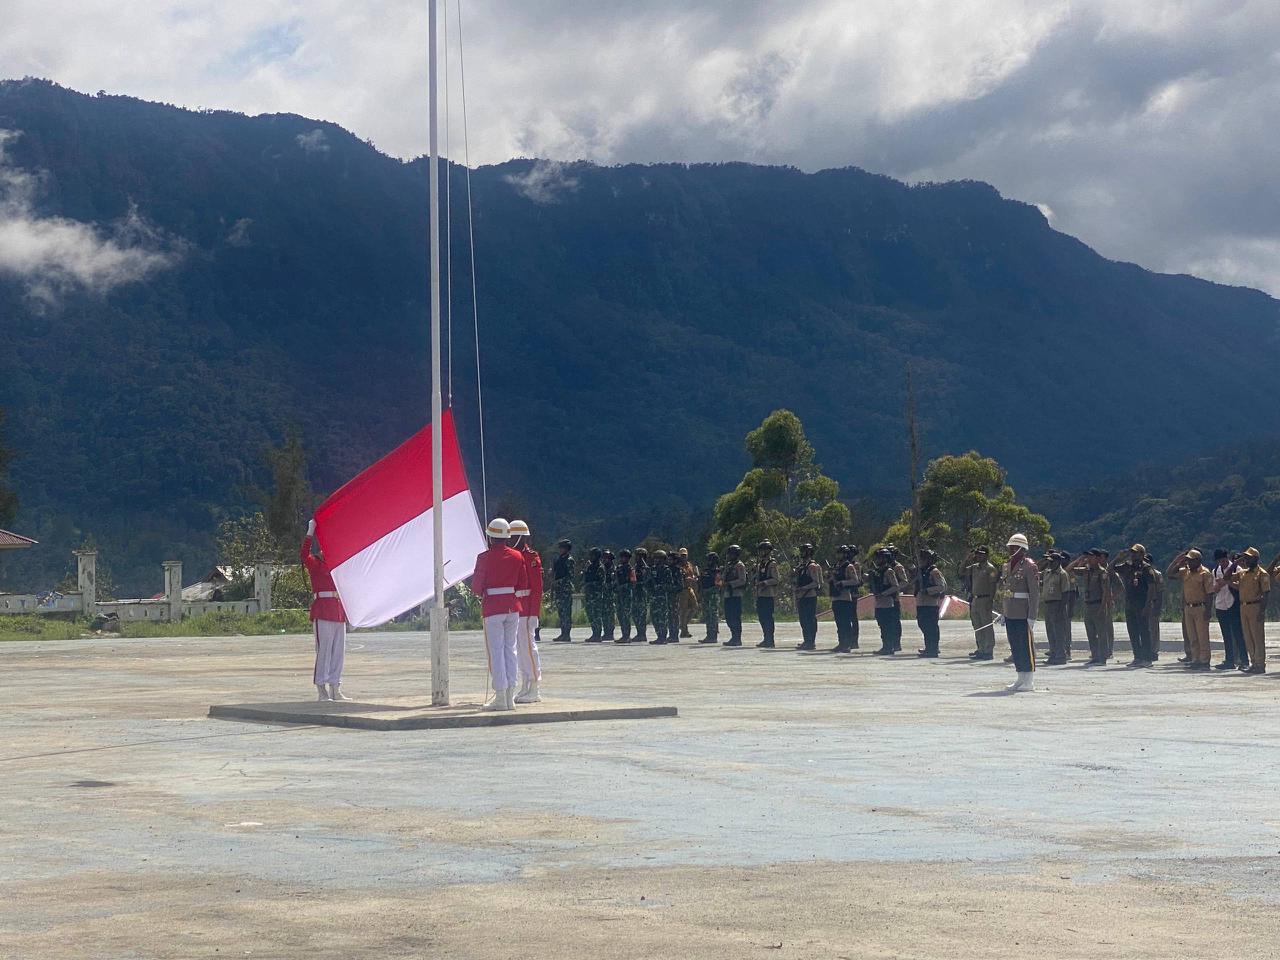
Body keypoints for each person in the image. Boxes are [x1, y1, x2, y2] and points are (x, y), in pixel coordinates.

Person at [471, 517, 530, 711]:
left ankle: (500, 696)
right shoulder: (517, 556)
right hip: (513, 606)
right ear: (507, 537)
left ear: (490, 537)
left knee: (495, 652)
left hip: (493, 608)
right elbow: (522, 584)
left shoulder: (484, 558)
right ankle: (510, 696)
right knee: (510, 650)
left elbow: (476, 587)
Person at [301, 519, 351, 702]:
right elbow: (303, 555)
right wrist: (310, 532)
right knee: (324, 651)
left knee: (338, 652)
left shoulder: (337, 565)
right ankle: (321, 688)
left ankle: (335, 687)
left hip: (338, 611)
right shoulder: (315, 563)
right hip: (322, 610)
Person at [999, 533, 1040, 691]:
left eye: (1014, 547)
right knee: (1015, 646)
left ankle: (1029, 680)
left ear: (1022, 549)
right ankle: (1020, 678)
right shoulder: (1007, 565)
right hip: (1011, 611)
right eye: (1010, 547)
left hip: (1023, 612)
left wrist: (1032, 616)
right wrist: (1004, 612)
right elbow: (1006, 591)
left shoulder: (1030, 566)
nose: (1011, 549)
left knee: (1025, 647)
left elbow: (1034, 593)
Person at [508, 520, 543, 702]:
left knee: (529, 648)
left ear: (521, 537)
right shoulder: (513, 555)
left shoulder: (531, 557)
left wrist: (535, 613)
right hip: (517, 608)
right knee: (520, 650)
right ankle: (526, 684)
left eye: (513, 536)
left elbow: (537, 588)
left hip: (527, 609)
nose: (510, 539)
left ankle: (535, 687)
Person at [1109, 545, 1157, 667]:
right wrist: (1118, 558)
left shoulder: (1146, 568)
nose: (1133, 555)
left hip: (1142, 603)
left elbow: (1151, 587)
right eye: (1132, 553)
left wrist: (1148, 605)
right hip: (1130, 604)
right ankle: (1137, 657)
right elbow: (1110, 569)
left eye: (1136, 553)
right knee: (1133, 632)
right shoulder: (1127, 566)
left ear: (1142, 554)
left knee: (1144, 631)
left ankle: (1147, 658)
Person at [1166, 548, 1214, 670]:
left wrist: (1208, 610)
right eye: (1188, 560)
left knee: (1202, 636)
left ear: (1198, 560)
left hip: (1200, 607)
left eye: (1191, 560)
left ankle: (1204, 661)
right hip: (1188, 607)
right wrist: (1178, 561)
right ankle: (1195, 659)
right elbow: (1170, 573)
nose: (1189, 563)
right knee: (1192, 636)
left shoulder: (1205, 573)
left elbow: (1209, 593)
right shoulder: (1185, 572)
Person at [1068, 549, 1111, 665]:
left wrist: (1103, 608)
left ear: (1097, 558)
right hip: (1088, 605)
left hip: (1098, 604)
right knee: (1090, 633)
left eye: (1091, 557)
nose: (1089, 559)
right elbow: (1069, 570)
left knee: (1101, 633)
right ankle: (1095, 656)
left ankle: (1102, 658)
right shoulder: (1086, 570)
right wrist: (1080, 559)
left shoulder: (1102, 572)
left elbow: (1105, 592)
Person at [1230, 547, 1269, 674]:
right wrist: (1235, 563)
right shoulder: (1242, 573)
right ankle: (1253, 663)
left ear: (1256, 559)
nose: (1246, 560)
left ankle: (1260, 664)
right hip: (1243, 606)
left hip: (1255, 606)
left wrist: (1262, 611)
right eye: (1245, 558)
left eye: (1248, 558)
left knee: (1257, 637)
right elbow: (1226, 577)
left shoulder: (1262, 573)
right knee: (1248, 636)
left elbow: (1265, 594)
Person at [1212, 549, 1245, 670]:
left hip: (1233, 603)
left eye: (1224, 560)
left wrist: (1227, 582)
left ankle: (1243, 660)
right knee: (1226, 635)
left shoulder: (1237, 569)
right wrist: (1218, 585)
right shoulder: (1215, 571)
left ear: (1227, 558)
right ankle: (1229, 660)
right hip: (1221, 604)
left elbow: (1240, 587)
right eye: (1220, 561)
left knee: (1238, 634)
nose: (1222, 563)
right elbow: (1214, 589)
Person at [963, 547, 999, 660]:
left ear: (987, 555)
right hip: (975, 599)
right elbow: (961, 571)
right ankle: (981, 649)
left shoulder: (990, 569)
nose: (979, 556)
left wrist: (990, 601)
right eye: (977, 554)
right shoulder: (974, 567)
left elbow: (993, 586)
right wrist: (967, 559)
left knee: (986, 625)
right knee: (977, 626)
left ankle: (988, 650)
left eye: (982, 554)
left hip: (985, 599)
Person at [869, 547, 902, 655]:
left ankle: (889, 646)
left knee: (888, 626)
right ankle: (885, 645)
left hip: (887, 602)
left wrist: (884, 593)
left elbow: (895, 586)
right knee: (882, 625)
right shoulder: (877, 571)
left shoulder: (889, 571)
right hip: (879, 602)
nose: (877, 560)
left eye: (879, 558)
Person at [914, 548, 946, 658]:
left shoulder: (934, 571)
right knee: (922, 624)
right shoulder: (921, 571)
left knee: (931, 627)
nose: (921, 561)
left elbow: (942, 586)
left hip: (931, 603)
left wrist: (928, 590)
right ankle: (928, 647)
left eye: (923, 559)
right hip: (921, 603)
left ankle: (933, 648)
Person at [829, 544, 862, 653]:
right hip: (836, 597)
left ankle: (847, 644)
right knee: (839, 622)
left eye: (840, 553)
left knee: (846, 622)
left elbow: (855, 581)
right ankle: (841, 642)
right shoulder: (837, 567)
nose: (838, 555)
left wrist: (843, 583)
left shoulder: (849, 566)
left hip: (845, 597)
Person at [1039, 552, 1071, 665]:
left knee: (1059, 632)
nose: (1050, 564)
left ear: (1058, 562)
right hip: (1048, 604)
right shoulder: (1047, 572)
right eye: (1049, 562)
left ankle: (1061, 656)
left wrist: (1061, 609)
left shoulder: (1062, 574)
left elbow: (1066, 593)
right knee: (1050, 631)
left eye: (1052, 562)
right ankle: (1053, 654)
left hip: (1057, 604)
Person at [794, 543, 823, 651]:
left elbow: (816, 583)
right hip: (801, 597)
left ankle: (811, 641)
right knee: (803, 620)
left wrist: (803, 588)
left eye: (803, 551)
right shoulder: (802, 566)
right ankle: (806, 640)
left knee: (810, 619)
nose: (801, 553)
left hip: (810, 596)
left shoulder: (812, 566)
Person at [755, 541, 781, 648]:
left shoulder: (772, 564)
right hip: (760, 594)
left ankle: (770, 639)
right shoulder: (760, 564)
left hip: (768, 594)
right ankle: (766, 638)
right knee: (762, 617)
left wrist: (764, 583)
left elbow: (776, 579)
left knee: (768, 618)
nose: (761, 552)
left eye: (763, 550)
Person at [721, 544, 748, 647]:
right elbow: (724, 577)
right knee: (728, 617)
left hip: (736, 594)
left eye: (731, 554)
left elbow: (742, 580)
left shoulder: (740, 565)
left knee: (735, 617)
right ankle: (733, 636)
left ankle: (737, 638)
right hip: (728, 594)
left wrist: (730, 584)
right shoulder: (729, 565)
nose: (729, 556)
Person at [551, 539, 575, 642]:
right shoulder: (559, 560)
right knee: (561, 612)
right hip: (559, 590)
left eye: (562, 547)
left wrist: (559, 582)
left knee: (566, 612)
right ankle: (563, 633)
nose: (560, 549)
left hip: (565, 590)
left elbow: (570, 576)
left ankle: (567, 634)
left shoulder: (569, 560)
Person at [649, 549, 673, 644]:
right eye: (655, 558)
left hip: (662, 597)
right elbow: (648, 582)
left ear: (663, 559)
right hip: (654, 597)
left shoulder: (666, 570)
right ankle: (659, 635)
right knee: (654, 617)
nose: (656, 560)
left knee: (662, 617)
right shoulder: (652, 569)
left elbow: (670, 584)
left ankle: (663, 637)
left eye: (658, 558)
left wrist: (660, 586)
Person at [582, 547, 606, 642]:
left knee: (596, 615)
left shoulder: (600, 567)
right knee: (590, 614)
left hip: (596, 595)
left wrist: (590, 584)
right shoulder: (589, 567)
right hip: (589, 595)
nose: (591, 557)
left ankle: (598, 634)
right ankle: (594, 633)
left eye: (592, 555)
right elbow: (585, 578)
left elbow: (601, 582)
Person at [698, 551, 722, 644]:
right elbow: (701, 582)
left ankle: (713, 636)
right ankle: (709, 635)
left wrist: (709, 590)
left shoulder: (717, 571)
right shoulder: (705, 571)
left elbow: (718, 584)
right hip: (705, 595)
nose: (708, 562)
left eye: (710, 560)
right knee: (707, 615)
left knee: (713, 615)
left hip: (713, 595)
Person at [677, 547, 699, 640]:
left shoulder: (689, 564)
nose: (683, 557)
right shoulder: (678, 566)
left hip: (690, 588)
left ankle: (683, 625)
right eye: (682, 555)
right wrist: (686, 579)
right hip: (682, 590)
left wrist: (694, 578)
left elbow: (693, 574)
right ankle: (684, 630)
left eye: (685, 555)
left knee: (695, 607)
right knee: (683, 610)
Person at [614, 549, 635, 643]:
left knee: (626, 616)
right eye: (622, 557)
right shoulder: (618, 568)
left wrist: (625, 586)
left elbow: (633, 582)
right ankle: (623, 635)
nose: (623, 559)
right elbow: (615, 581)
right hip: (619, 595)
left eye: (625, 557)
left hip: (627, 595)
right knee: (620, 615)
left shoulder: (631, 569)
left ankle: (627, 636)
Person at [1147, 555, 1165, 661]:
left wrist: (1158, 607)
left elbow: (1160, 592)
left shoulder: (1157, 574)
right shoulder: (1139, 574)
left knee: (1153, 629)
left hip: (1153, 603)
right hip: (1143, 604)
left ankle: (1154, 651)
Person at [632, 548, 652, 643]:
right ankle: (639, 633)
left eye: (640, 556)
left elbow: (647, 580)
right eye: (637, 556)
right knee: (635, 614)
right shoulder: (635, 567)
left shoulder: (646, 568)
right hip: (635, 593)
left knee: (641, 614)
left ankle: (642, 634)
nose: (638, 558)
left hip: (642, 593)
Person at [666, 550, 685, 641]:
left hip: (674, 596)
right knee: (669, 616)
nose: (669, 561)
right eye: (668, 559)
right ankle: (671, 634)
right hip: (667, 595)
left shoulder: (677, 570)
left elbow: (680, 586)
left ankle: (675, 635)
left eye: (670, 560)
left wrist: (671, 588)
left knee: (674, 615)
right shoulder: (667, 569)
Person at [600, 550, 618, 642]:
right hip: (604, 595)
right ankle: (606, 632)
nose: (604, 560)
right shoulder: (603, 569)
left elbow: (614, 582)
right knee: (604, 614)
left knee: (610, 614)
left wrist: (607, 586)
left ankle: (610, 633)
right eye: (603, 558)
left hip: (610, 596)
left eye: (606, 558)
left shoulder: (613, 570)